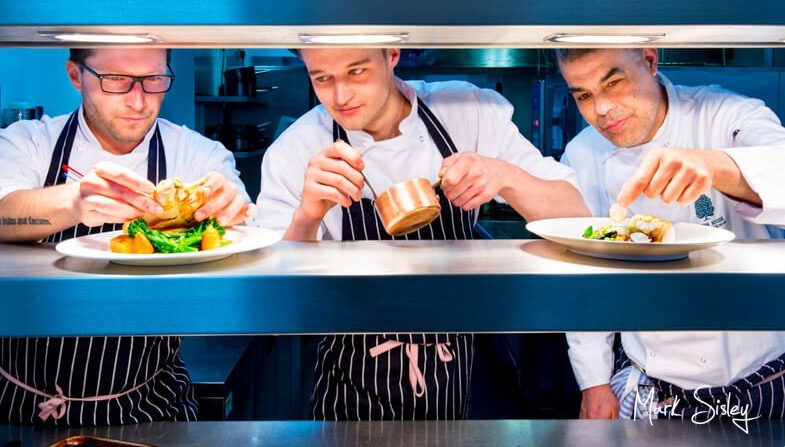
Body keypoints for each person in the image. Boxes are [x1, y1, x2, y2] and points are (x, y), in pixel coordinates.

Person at [257, 47, 588, 420]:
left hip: (453, 371)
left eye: (357, 72)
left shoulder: (467, 111)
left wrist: (503, 175)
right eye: (322, 78)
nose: (341, 96)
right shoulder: (296, 149)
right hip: (351, 379)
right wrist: (307, 216)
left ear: (392, 55)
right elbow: (274, 309)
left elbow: (575, 214)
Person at [0, 47, 255, 426]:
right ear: (74, 74)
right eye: (115, 80)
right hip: (21, 404)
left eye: (154, 80)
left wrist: (229, 215)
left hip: (151, 403)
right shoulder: (27, 141)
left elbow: (240, 239)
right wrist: (74, 203)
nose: (138, 101)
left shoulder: (197, 154)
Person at [556, 47, 785, 420]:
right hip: (653, 387)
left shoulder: (724, 114)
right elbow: (586, 271)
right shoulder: (582, 154)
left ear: (649, 60)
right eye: (583, 95)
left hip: (761, 381)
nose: (600, 109)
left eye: (613, 83)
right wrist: (593, 380)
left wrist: (713, 165)